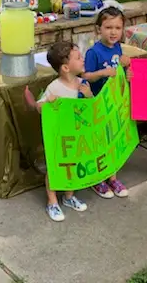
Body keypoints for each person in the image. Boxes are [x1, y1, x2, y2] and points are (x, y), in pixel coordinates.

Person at [37, 41, 92, 222]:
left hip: (76, 135)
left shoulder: (83, 84)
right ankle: (52, 201)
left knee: (73, 167)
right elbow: (39, 107)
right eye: (78, 57)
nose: (82, 58)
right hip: (58, 138)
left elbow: (92, 108)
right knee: (55, 169)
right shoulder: (54, 87)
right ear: (66, 67)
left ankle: (68, 197)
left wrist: (89, 95)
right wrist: (48, 103)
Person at [83, 7, 131, 199]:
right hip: (96, 103)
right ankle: (98, 179)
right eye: (108, 27)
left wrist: (127, 70)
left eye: (117, 28)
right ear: (98, 29)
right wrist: (103, 73)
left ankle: (112, 177)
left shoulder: (118, 48)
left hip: (113, 103)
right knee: (99, 142)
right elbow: (85, 76)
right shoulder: (93, 52)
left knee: (111, 140)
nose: (113, 32)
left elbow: (119, 74)